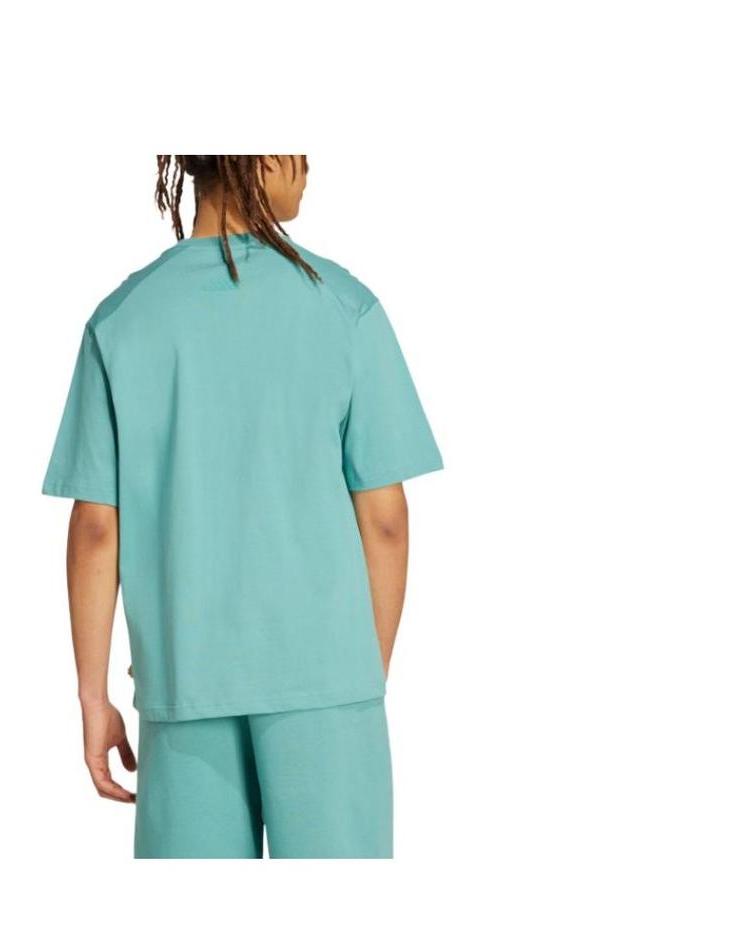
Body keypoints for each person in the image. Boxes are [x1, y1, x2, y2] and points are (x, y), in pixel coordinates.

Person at [43, 155, 442, 858]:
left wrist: (93, 696)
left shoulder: (123, 319)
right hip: (326, 681)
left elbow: (97, 528)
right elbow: (385, 520)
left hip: (184, 680)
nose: (310, 167)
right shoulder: (343, 306)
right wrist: (359, 674)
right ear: (257, 156)